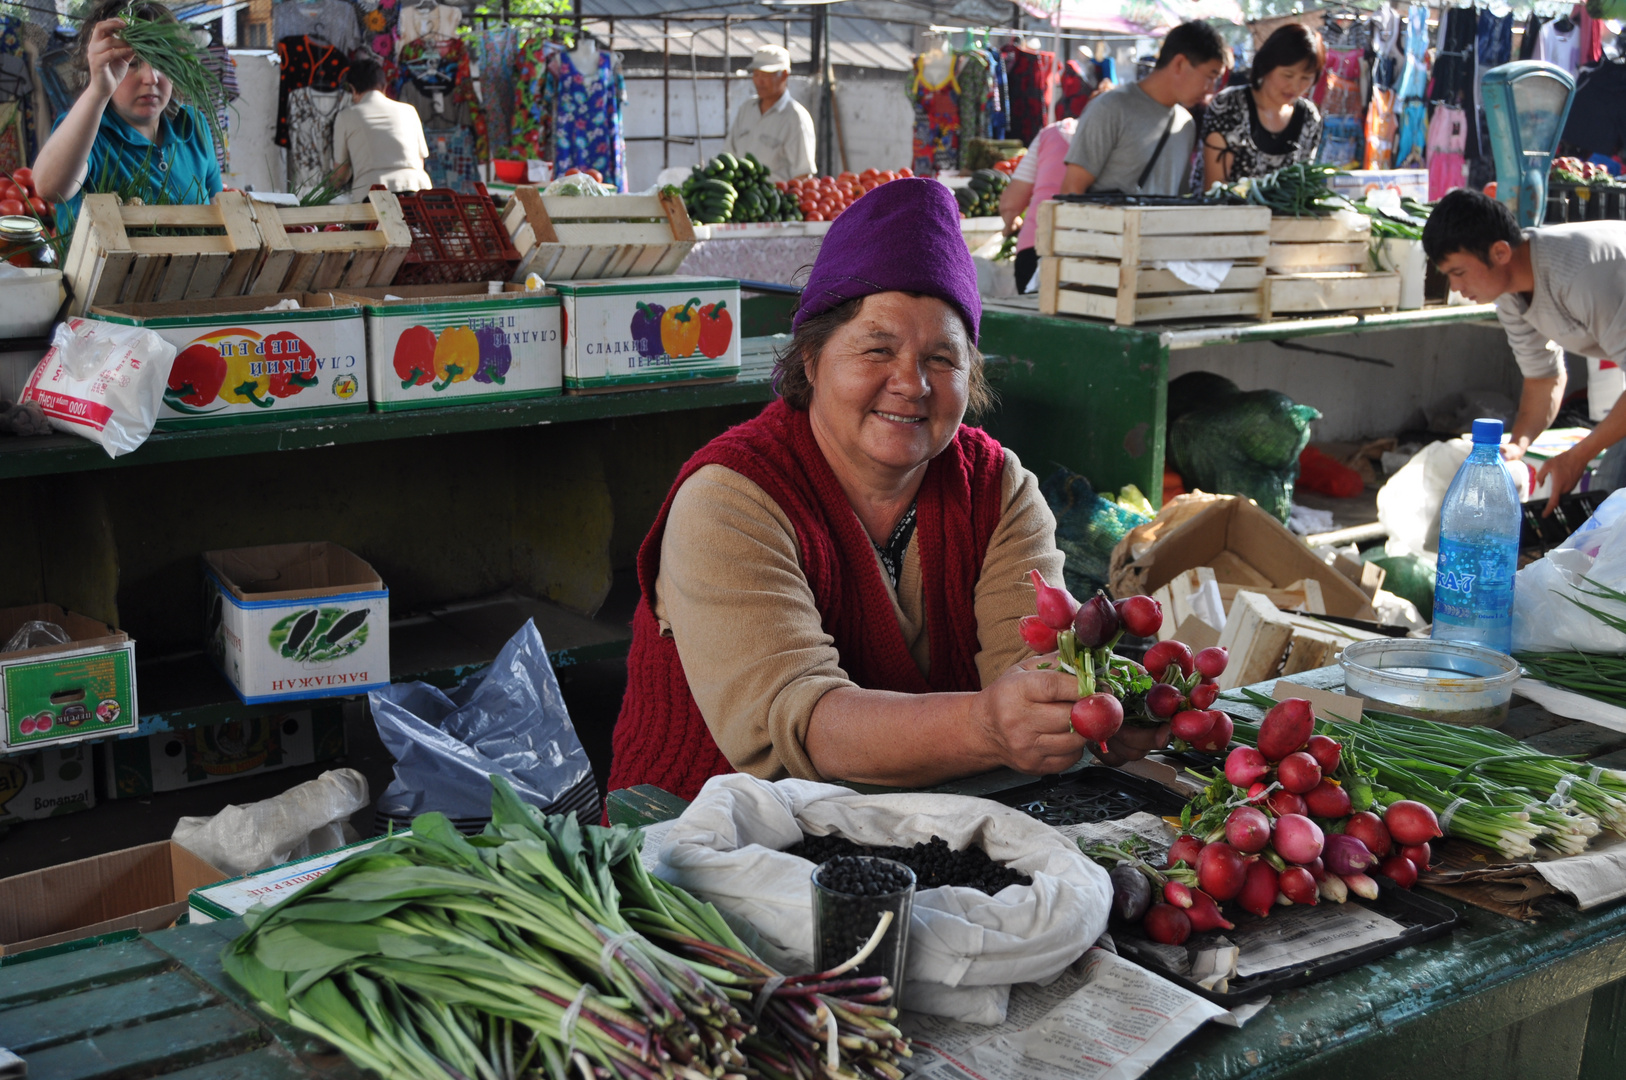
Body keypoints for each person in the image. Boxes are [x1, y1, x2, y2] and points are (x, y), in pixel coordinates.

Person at [606, 178, 1167, 803]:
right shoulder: (731, 499)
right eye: (877, 349)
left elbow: (1029, 658)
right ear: (812, 360)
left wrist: (1074, 711)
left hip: (917, 826)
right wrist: (988, 725)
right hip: (704, 844)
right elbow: (801, 724)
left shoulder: (997, 488)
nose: (912, 384)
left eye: (942, 359)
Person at [1422, 189, 1626, 514]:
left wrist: (1577, 457)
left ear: (1500, 252)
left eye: (1458, 273)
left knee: (1612, 505)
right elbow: (1543, 377)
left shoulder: (1581, 275)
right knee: (1607, 510)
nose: (1456, 287)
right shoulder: (1509, 292)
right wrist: (1517, 445)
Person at [34, 0, 221, 232]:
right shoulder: (87, 132)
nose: (151, 77)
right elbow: (49, 187)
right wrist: (98, 91)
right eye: (131, 63)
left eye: (162, 61)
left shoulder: (193, 126)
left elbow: (218, 208)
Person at [1059, 21, 1231, 198]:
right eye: (1210, 77)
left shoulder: (1186, 125)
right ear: (1180, 63)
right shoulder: (1110, 108)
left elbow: (1179, 200)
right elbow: (1071, 191)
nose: (1211, 90)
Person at [1200, 23, 1324, 188]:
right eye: (1288, 75)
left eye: (1306, 78)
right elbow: (1214, 189)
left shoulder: (1309, 117)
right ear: (1267, 66)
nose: (1295, 87)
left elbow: (1302, 185)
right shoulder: (1229, 106)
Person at [329, 57, 432, 199]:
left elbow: (340, 173)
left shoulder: (346, 116)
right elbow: (420, 162)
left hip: (373, 195)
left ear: (352, 89)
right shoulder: (409, 111)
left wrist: (327, 190)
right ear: (384, 86)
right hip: (417, 193)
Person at [998, 117, 1076, 294]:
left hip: (1035, 247)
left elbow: (1010, 204)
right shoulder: (1126, 138)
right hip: (1095, 256)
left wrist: (1011, 224)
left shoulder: (1051, 133)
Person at [725, 45, 816, 182]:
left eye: (766, 75)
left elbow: (803, 175)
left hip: (775, 200)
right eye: (756, 74)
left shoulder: (795, 117)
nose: (759, 81)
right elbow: (728, 155)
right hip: (740, 198)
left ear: (784, 75)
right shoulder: (746, 109)